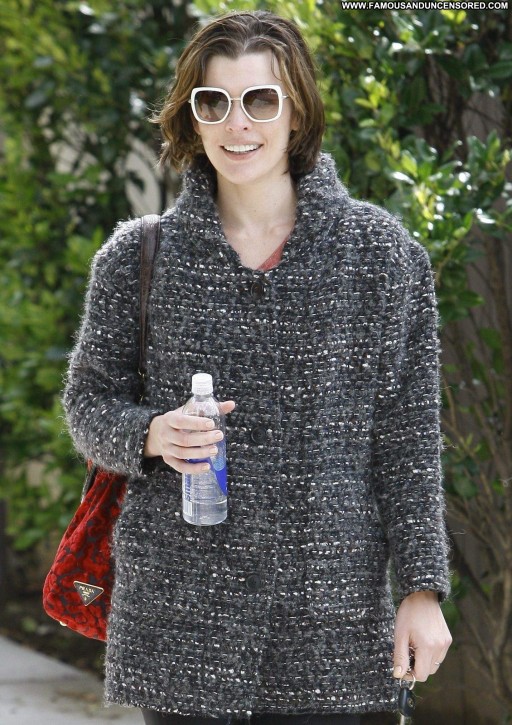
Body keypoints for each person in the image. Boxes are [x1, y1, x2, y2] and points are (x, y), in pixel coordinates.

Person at [63, 10, 452, 725]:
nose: (237, 124)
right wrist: (151, 433)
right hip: (181, 620)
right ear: (193, 116)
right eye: (214, 101)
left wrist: (422, 588)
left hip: (332, 620)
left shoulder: (381, 256)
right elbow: (88, 404)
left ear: (296, 109)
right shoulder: (138, 257)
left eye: (260, 99)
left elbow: (408, 442)